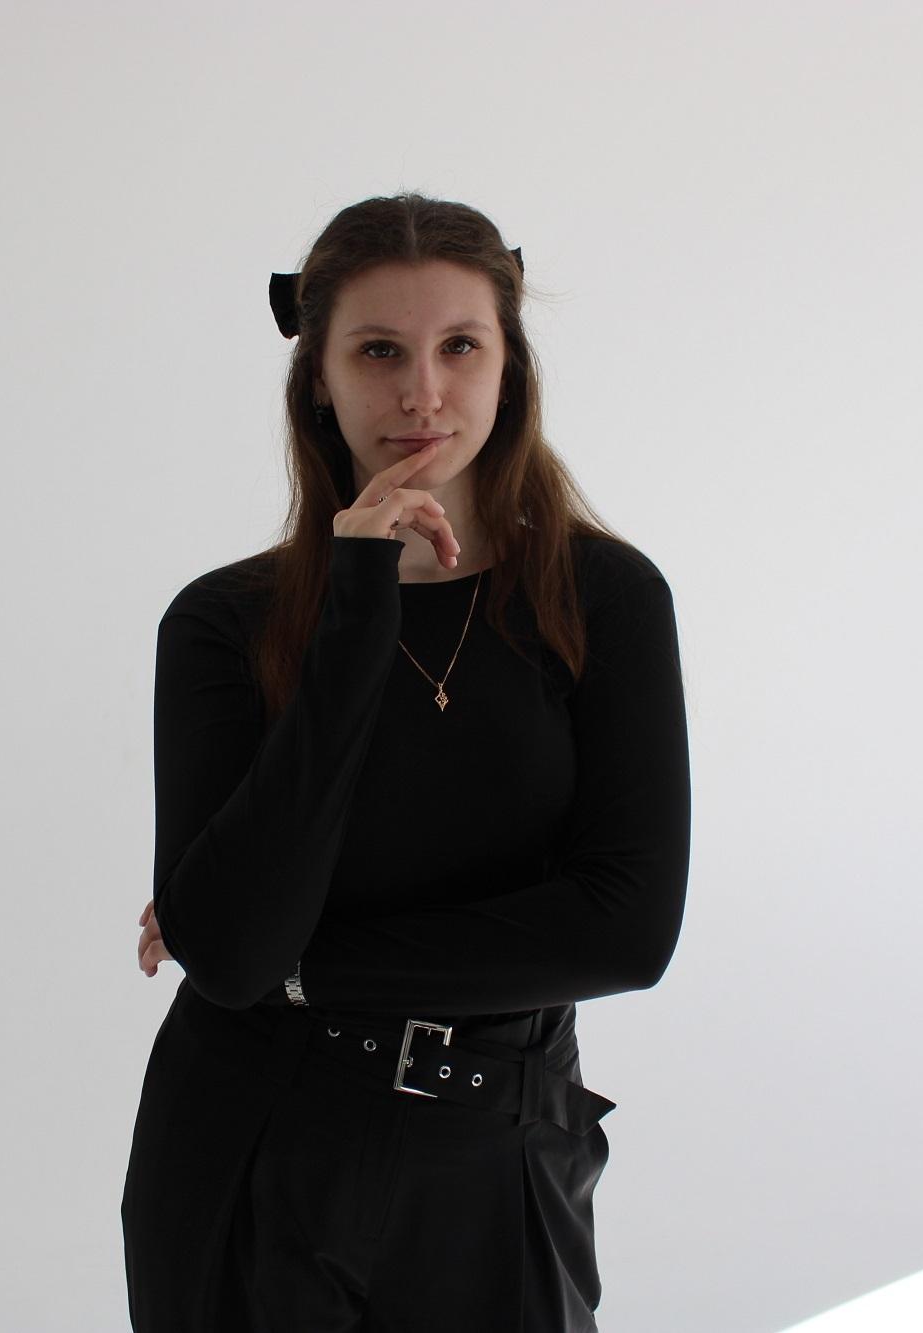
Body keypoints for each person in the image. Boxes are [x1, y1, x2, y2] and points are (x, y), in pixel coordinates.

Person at [120, 192, 691, 1332]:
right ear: (318, 381)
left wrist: (295, 972)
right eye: (378, 351)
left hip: (498, 1147)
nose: (421, 392)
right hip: (250, 1138)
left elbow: (625, 934)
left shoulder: (603, 597)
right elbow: (231, 950)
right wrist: (355, 605)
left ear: (508, 369)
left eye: (459, 347)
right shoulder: (224, 622)